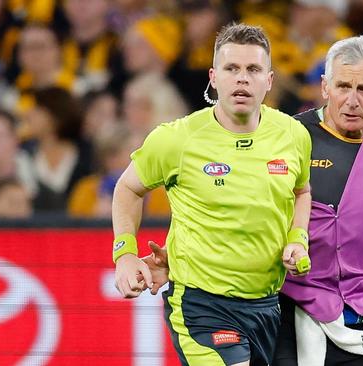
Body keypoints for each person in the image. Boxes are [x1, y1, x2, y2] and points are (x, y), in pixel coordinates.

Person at [143, 35, 363, 366]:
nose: (352, 100)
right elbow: (232, 206)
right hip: (293, 313)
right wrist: (180, 261)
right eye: (342, 86)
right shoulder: (286, 137)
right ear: (324, 87)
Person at [111, 23, 312, 366]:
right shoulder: (177, 139)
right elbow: (128, 187)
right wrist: (124, 253)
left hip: (267, 304)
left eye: (253, 70)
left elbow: (301, 190)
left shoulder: (293, 134)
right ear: (213, 77)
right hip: (201, 306)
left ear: (270, 80)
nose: (242, 79)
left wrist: (298, 237)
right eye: (231, 69)